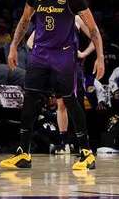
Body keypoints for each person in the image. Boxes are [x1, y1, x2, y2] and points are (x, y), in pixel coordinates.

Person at [1, 0, 105, 171]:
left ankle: (86, 153)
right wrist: (13, 46)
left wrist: (100, 57)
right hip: (40, 53)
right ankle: (24, 153)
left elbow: (93, 29)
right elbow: (24, 21)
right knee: (30, 98)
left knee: (69, 99)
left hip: (63, 55)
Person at [27, 14, 94, 154]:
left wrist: (84, 53)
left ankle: (82, 144)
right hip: (57, 67)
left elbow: (95, 38)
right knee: (61, 104)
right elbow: (29, 42)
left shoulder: (76, 19)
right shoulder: (48, 19)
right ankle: (65, 143)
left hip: (73, 67)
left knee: (76, 103)